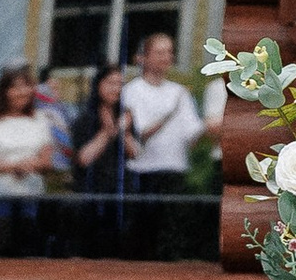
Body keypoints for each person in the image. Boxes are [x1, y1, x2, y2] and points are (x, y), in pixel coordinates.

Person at [119, 31, 200, 193]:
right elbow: (138, 132)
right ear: (143, 57)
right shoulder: (130, 91)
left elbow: (193, 133)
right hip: (143, 171)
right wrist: (168, 115)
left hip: (176, 170)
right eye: (160, 53)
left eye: (170, 52)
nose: (166, 57)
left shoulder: (180, 92)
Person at [0, 63, 57, 196]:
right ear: (4, 91)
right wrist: (13, 166)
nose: (22, 93)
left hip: (31, 191)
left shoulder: (41, 119)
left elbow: (47, 162)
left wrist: (31, 165)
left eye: (26, 86)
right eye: (15, 88)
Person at [68, 62, 131, 196]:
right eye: (110, 83)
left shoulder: (125, 115)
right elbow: (83, 159)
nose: (116, 88)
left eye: (120, 84)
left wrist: (124, 132)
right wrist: (107, 133)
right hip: (90, 189)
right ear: (98, 85)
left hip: (120, 190)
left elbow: (135, 153)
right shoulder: (85, 119)